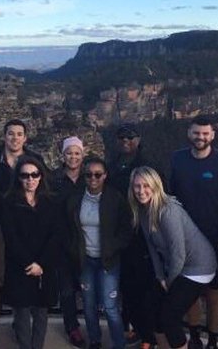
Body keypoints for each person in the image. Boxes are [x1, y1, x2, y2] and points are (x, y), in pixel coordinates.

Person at [168, 115, 218, 349]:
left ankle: (212, 340)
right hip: (186, 241)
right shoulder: (177, 159)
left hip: (214, 241)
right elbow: (171, 198)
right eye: (196, 133)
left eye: (205, 133)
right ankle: (195, 336)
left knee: (213, 293)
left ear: (213, 135)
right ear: (189, 133)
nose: (201, 137)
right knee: (190, 293)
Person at [129, 167, 217, 349]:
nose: (141, 190)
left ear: (155, 186)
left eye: (146, 185)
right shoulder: (143, 211)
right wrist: (160, 277)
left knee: (169, 317)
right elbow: (153, 249)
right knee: (151, 311)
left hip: (198, 268)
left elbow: (179, 254)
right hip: (176, 268)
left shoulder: (167, 211)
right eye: (137, 186)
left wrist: (169, 283)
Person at [0, 119, 45, 347]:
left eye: (19, 134)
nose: (15, 138)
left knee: (20, 272)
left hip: (25, 226)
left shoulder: (35, 160)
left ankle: (20, 321)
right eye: (11, 134)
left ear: (25, 137)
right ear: (4, 136)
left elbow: (45, 189)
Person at [65, 157, 132, 349]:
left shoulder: (115, 198)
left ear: (105, 176)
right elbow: (67, 227)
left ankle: (118, 343)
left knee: (110, 307)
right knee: (88, 304)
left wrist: (113, 247)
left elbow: (126, 228)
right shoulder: (76, 198)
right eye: (88, 174)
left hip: (108, 261)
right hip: (85, 259)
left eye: (98, 174)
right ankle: (95, 340)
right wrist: (73, 248)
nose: (93, 178)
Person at [107, 123, 158, 348]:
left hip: (143, 235)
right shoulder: (113, 165)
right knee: (127, 287)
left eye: (130, 137)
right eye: (121, 137)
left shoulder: (147, 165)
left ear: (138, 140)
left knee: (145, 289)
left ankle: (148, 335)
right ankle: (133, 328)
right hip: (121, 235)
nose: (125, 140)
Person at [1, 156, 60, 349]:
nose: (30, 179)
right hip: (20, 267)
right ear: (18, 178)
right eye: (25, 175)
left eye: (35, 174)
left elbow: (55, 235)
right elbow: (11, 238)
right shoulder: (9, 203)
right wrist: (29, 264)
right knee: (22, 313)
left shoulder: (51, 202)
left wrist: (42, 264)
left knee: (41, 312)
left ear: (41, 176)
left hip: (45, 266)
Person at [50, 136, 87, 348]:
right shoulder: (54, 179)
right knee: (66, 290)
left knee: (87, 288)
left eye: (77, 153)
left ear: (83, 155)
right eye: (69, 153)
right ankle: (72, 328)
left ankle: (90, 327)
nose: (73, 157)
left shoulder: (90, 177)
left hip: (87, 243)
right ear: (62, 155)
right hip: (62, 243)